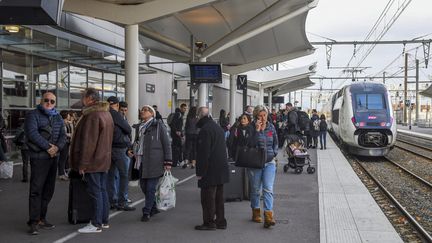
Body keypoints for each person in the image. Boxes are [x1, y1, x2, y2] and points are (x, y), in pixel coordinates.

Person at [70, 88, 114, 233]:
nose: (82, 99)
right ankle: (104, 220)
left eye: (83, 97)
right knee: (102, 191)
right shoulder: (106, 114)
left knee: (95, 192)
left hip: (93, 161)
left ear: (89, 98)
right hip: (104, 160)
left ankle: (96, 224)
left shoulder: (92, 115)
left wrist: (83, 164)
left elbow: (88, 143)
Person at [24, 92, 66, 235]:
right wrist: (48, 147)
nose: (49, 103)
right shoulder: (33, 115)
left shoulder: (58, 116)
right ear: (41, 101)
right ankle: (33, 221)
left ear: (55, 103)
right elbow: (32, 134)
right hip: (38, 158)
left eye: (52, 101)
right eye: (46, 100)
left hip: (53, 158)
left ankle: (42, 218)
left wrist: (57, 148)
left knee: (48, 190)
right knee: (36, 190)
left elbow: (62, 136)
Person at [133, 105, 172, 222]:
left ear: (152, 113)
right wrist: (132, 149)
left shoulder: (158, 125)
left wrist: (168, 162)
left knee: (150, 188)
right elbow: (137, 142)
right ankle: (153, 206)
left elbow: (166, 144)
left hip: (155, 161)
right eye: (142, 110)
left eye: (146, 110)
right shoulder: (139, 127)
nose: (142, 111)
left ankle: (147, 211)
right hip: (141, 160)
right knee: (143, 186)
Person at [194, 107, 229, 230]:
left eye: (197, 116)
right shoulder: (217, 127)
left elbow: (203, 153)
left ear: (200, 116)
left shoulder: (205, 130)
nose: (196, 119)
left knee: (208, 197)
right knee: (219, 197)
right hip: (221, 167)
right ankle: (221, 221)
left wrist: (200, 172)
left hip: (210, 169)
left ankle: (209, 222)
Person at [249, 105, 278, 228]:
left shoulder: (271, 127)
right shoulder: (252, 128)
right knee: (256, 189)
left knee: (268, 189)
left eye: (264, 115)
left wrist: (274, 153)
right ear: (256, 116)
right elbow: (249, 144)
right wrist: (256, 131)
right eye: (260, 115)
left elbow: (276, 142)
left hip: (269, 162)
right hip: (255, 163)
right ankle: (256, 211)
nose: (263, 118)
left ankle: (268, 216)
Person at [106, 96, 135, 211]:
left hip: (109, 148)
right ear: (117, 105)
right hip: (119, 148)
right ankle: (122, 201)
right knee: (123, 176)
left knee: (111, 176)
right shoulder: (116, 114)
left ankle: (111, 201)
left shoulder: (105, 114)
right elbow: (128, 129)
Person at [58, 110, 73, 181]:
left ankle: (64, 172)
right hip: (63, 143)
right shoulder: (61, 123)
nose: (70, 116)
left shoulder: (66, 123)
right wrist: (70, 135)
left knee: (66, 157)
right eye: (68, 115)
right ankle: (61, 174)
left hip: (67, 142)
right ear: (65, 115)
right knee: (63, 158)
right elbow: (63, 133)